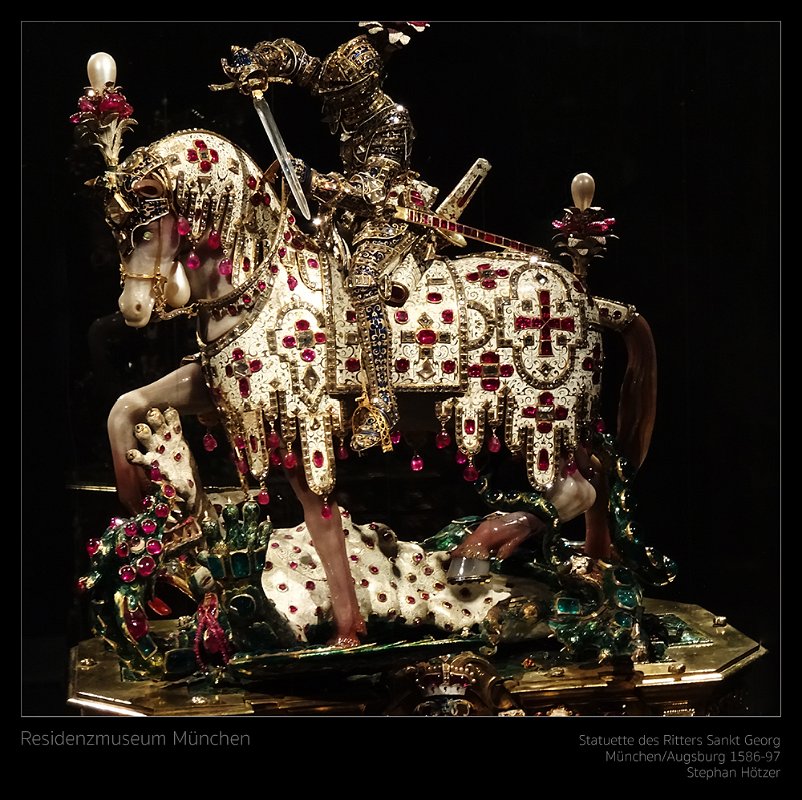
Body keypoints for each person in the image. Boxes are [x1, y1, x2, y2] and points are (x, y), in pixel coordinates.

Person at [221, 22, 434, 452]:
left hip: (392, 211)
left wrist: (313, 180)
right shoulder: (339, 83)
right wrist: (258, 62)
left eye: (342, 100)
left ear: (362, 92)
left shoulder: (393, 120)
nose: (334, 107)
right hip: (345, 212)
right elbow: (299, 62)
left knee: (363, 279)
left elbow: (371, 190)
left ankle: (382, 403)